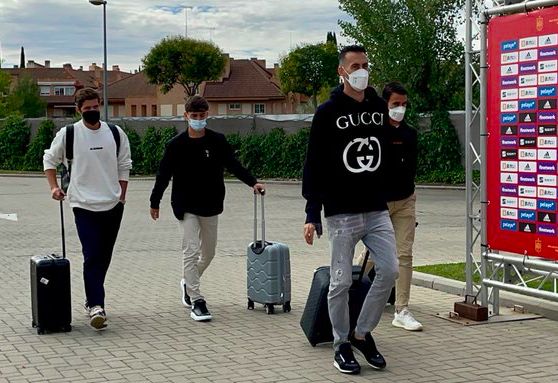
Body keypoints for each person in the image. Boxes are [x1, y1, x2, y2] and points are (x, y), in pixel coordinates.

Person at [302, 45, 399, 375]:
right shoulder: (327, 112)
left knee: (390, 269)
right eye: (355, 66)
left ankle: (362, 333)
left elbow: (385, 153)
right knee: (340, 282)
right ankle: (341, 342)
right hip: (340, 211)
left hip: (375, 209)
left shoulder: (377, 107)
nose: (362, 71)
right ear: (342, 72)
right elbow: (313, 163)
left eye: (366, 65)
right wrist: (312, 213)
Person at [149, 95, 264, 322]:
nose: (198, 120)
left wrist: (253, 182)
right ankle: (197, 300)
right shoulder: (175, 145)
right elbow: (163, 175)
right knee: (190, 250)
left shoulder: (217, 141)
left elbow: (234, 165)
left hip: (210, 204)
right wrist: (155, 202)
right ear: (186, 117)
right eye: (194, 116)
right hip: (185, 205)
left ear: (207, 115)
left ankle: (188, 282)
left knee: (208, 253)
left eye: (202, 116)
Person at [43, 87, 132, 330]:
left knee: (104, 256)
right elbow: (49, 160)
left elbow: (124, 164)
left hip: (113, 204)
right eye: (87, 109)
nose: (92, 112)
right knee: (91, 254)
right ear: (78, 110)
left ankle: (92, 296)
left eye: (95, 107)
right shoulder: (69, 134)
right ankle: (96, 305)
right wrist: (53, 187)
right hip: (83, 204)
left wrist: (122, 195)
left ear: (100, 105)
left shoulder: (115, 133)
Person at [356, 82, 422, 331]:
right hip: (379, 203)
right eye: (395, 104)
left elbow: (412, 168)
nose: (400, 109)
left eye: (404, 105)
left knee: (404, 254)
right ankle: (352, 288)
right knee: (373, 254)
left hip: (406, 201)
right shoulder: (374, 131)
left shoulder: (410, 134)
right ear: (385, 104)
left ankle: (402, 309)